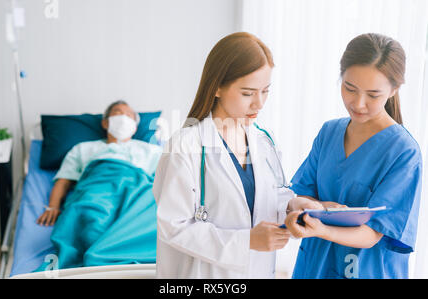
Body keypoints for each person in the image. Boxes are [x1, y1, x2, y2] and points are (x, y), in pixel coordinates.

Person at [153, 32, 323, 279]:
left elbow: (268, 196)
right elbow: (173, 226)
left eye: (265, 91)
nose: (259, 104)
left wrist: (291, 205)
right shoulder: (185, 146)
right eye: (248, 93)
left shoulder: (263, 141)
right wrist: (247, 241)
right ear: (218, 86)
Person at [284, 33, 423, 279]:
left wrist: (321, 228)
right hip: (314, 267)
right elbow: (301, 196)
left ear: (394, 90)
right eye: (350, 88)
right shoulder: (329, 133)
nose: (358, 103)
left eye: (373, 95)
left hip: (365, 271)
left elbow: (373, 234)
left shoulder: (403, 152)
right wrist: (305, 207)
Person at [36, 100, 162, 226]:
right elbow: (63, 181)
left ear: (135, 127)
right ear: (105, 123)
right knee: (91, 224)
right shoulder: (82, 149)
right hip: (95, 192)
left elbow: (168, 181)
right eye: (118, 113)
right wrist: (53, 207)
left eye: (129, 116)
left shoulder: (152, 151)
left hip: (136, 193)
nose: (123, 118)